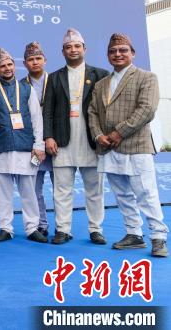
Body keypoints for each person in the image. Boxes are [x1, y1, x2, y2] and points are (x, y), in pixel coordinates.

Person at [89, 33, 168, 258]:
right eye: (113, 51)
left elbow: (147, 109)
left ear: (132, 53)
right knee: (122, 194)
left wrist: (118, 133)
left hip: (136, 145)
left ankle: (158, 237)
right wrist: (98, 135)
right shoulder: (101, 84)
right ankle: (134, 234)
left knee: (146, 193)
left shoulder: (146, 77)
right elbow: (92, 112)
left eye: (123, 50)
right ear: (108, 56)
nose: (118, 54)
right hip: (108, 147)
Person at [43, 28, 108, 246]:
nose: (73, 50)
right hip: (62, 141)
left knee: (94, 190)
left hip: (91, 140)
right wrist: (48, 137)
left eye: (77, 46)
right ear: (63, 51)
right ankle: (63, 229)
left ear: (84, 49)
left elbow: (107, 109)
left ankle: (96, 229)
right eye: (68, 47)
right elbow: (47, 111)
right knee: (61, 190)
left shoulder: (100, 75)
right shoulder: (54, 78)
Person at [0, 49, 47, 243]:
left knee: (29, 192)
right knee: (2, 193)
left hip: (26, 146)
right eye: (2, 66)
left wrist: (39, 145)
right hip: (1, 147)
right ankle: (5, 228)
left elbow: (36, 119)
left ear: (14, 66)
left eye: (9, 64)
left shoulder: (27, 89)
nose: (7, 68)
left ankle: (32, 228)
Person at [21, 42, 54, 238]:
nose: (35, 62)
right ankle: (41, 224)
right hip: (33, 144)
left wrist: (51, 138)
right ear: (25, 63)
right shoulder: (20, 86)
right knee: (35, 188)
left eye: (38, 58)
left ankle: (63, 227)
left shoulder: (56, 81)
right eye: (31, 59)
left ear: (45, 60)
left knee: (60, 188)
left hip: (55, 142)